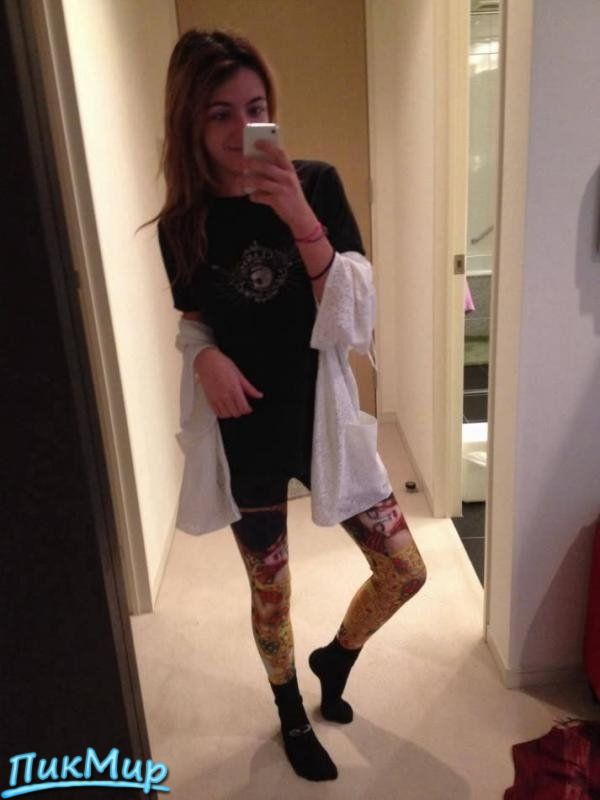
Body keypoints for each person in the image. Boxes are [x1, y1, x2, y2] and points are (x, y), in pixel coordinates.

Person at [154, 29, 428, 783]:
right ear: (188, 122)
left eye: (255, 108)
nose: (242, 128)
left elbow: (353, 316)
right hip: (244, 430)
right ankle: (289, 712)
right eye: (219, 113)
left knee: (404, 569)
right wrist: (202, 356)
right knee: (270, 593)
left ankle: (336, 658)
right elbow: (195, 321)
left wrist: (301, 217)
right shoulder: (182, 225)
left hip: (322, 418)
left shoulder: (316, 183)